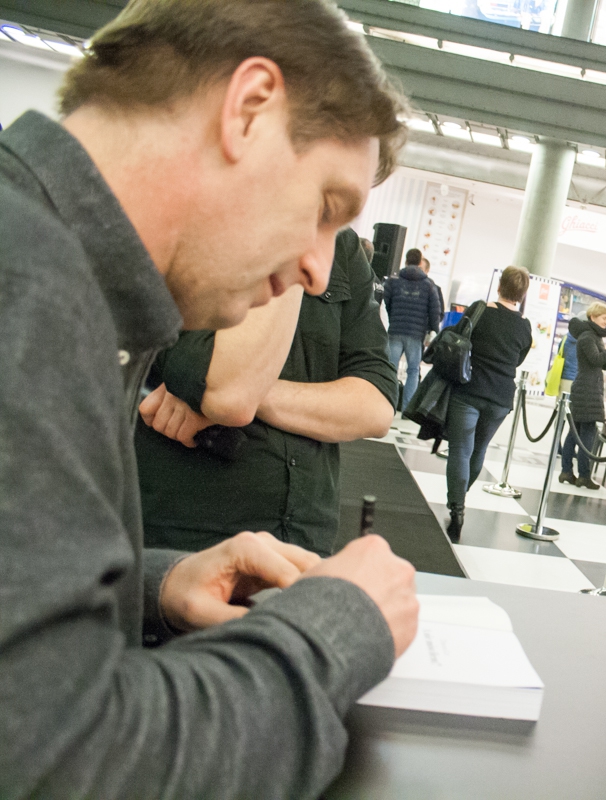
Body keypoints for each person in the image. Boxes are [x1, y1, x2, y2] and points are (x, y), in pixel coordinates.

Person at [0, 1, 421, 797]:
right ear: (250, 108)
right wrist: (337, 630)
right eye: (326, 208)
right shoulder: (28, 290)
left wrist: (153, 585)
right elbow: (63, 761)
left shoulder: (62, 277)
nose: (320, 272)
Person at [135, 228, 399, 557]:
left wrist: (252, 392)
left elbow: (375, 407)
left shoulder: (340, 245)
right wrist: (229, 392)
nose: (315, 275)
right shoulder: (200, 222)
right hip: (187, 538)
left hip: (304, 536)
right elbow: (223, 388)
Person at [443, 267, 533, 540]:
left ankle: (457, 508)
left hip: (469, 389)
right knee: (478, 451)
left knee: (460, 449)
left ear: (499, 286)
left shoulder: (479, 309)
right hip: (501, 398)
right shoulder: (524, 325)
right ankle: (461, 496)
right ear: (523, 293)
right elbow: (518, 360)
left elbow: (457, 338)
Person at [559, 302, 606, 489]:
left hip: (587, 387)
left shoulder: (592, 336)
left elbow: (602, 364)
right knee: (587, 434)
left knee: (575, 432)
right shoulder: (587, 337)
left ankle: (567, 471)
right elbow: (596, 359)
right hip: (587, 389)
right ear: (593, 317)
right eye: (604, 318)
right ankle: (583, 475)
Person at [383, 247, 441, 410]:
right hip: (416, 334)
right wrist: (433, 330)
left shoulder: (393, 281)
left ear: (406, 260)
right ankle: (407, 407)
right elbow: (434, 310)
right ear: (420, 262)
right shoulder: (429, 285)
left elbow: (385, 304)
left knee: (390, 370)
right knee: (413, 371)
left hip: (395, 330)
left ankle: (389, 404)